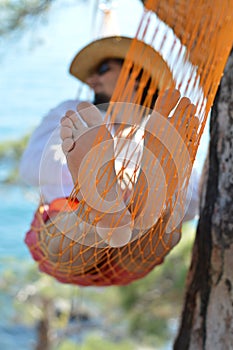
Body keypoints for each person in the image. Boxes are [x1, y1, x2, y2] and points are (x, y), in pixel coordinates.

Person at [20, 36, 200, 286]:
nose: (92, 80)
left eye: (103, 70)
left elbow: (192, 206)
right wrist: (114, 181)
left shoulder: (160, 131)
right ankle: (98, 206)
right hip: (70, 236)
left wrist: (136, 194)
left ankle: (130, 201)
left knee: (159, 223)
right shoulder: (77, 112)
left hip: (132, 248)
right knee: (79, 230)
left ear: (137, 74)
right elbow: (31, 167)